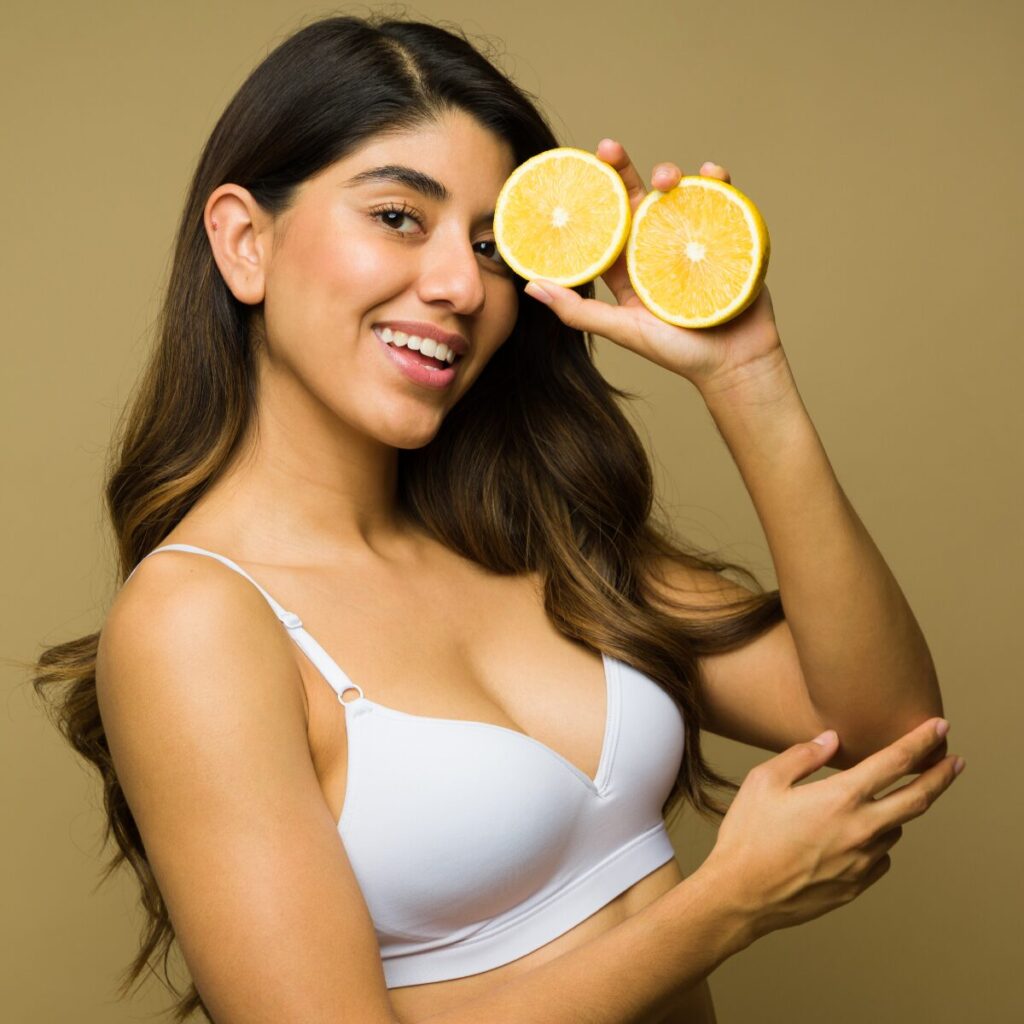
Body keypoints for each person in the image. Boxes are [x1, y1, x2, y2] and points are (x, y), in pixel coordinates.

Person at [32, 13, 963, 1024]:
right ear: (245, 241)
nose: (458, 285)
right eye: (397, 216)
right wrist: (720, 907)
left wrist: (748, 376)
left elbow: (888, 729)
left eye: (488, 243)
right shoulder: (197, 622)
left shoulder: (532, 529)